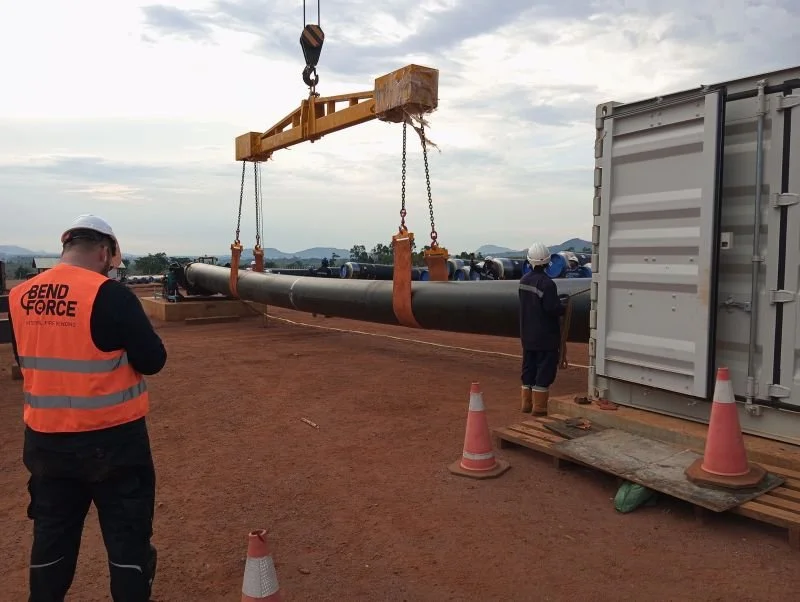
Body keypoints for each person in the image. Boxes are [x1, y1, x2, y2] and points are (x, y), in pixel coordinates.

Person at [7, 214, 168, 602]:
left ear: (66, 247)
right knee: (127, 541)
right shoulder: (110, 296)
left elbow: (28, 357)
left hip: (46, 444)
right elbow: (152, 360)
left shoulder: (20, 296)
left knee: (52, 538)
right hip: (113, 442)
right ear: (104, 251)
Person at [518, 241, 567, 415]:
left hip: (528, 336)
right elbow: (551, 309)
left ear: (529, 261)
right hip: (546, 338)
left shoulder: (523, 281)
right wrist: (563, 306)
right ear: (548, 262)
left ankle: (526, 404)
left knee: (528, 368)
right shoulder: (547, 284)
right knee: (544, 370)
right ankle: (539, 407)